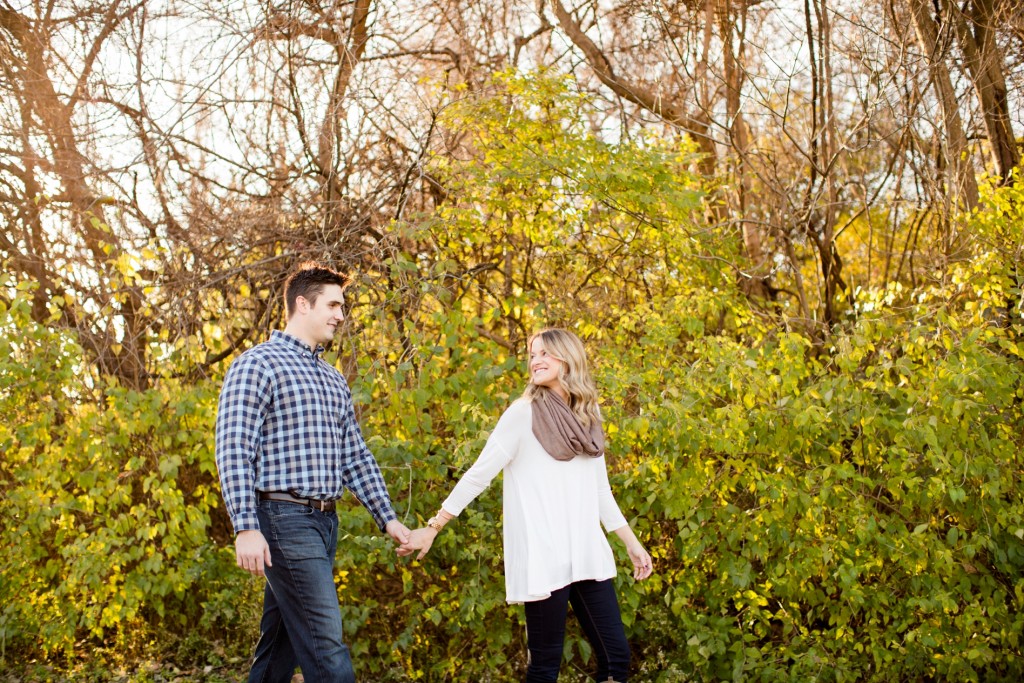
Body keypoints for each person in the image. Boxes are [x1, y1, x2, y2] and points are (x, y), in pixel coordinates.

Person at [398, 328, 653, 683]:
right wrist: (434, 526)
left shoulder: (588, 416)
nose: (536, 361)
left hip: (586, 552)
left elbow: (600, 492)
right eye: (532, 354)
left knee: (617, 659)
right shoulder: (523, 413)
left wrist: (631, 542)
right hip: (544, 556)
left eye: (545, 353)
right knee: (545, 667)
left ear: (569, 358)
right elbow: (478, 475)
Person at [215, 261, 411, 683]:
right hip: (284, 519)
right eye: (334, 304)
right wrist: (245, 527)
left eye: (343, 306)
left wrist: (388, 518)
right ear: (302, 304)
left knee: (279, 648)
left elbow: (355, 456)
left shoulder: (332, 378)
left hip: (325, 522)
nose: (341, 315)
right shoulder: (257, 365)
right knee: (326, 647)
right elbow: (233, 449)